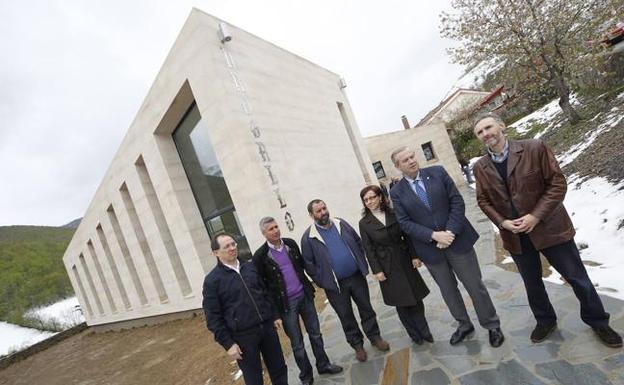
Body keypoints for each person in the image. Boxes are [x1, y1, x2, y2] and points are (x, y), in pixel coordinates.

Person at [472, 112, 622, 347]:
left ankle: (599, 322)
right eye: (480, 132)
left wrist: (535, 216)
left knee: (577, 278)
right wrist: (502, 222)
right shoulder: (480, 167)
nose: (485, 134)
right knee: (532, 283)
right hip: (516, 236)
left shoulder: (534, 148)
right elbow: (483, 200)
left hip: (550, 228)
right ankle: (545, 321)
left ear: (502, 125)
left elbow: (557, 183)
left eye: (488, 127)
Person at [389, 146, 505, 348]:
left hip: (457, 241)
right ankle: (464, 325)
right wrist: (433, 236)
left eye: (412, 156)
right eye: (405, 160)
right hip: (431, 250)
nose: (411, 161)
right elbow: (404, 222)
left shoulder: (438, 172)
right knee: (449, 292)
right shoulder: (397, 192)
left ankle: (492, 324)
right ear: (397, 166)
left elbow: (457, 202)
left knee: (475, 286)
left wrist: (449, 232)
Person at [252, 217, 343, 385]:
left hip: (304, 297)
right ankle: (306, 375)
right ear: (264, 233)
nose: (276, 230)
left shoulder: (290, 244)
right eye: (271, 229)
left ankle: (323, 364)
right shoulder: (260, 256)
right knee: (297, 344)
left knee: (316, 334)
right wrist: (274, 313)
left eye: (276, 226)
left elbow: (302, 266)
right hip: (286, 306)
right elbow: (263, 287)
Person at [301, 199, 390, 362]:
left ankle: (375, 337)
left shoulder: (341, 223)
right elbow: (308, 264)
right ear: (311, 215)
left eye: (324, 208)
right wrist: (323, 281)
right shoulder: (308, 238)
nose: (323, 212)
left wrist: (361, 262)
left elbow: (358, 241)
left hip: (356, 277)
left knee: (366, 308)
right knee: (345, 315)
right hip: (335, 286)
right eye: (318, 211)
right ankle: (357, 345)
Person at [202, 233, 288, 385]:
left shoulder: (249, 267)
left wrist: (274, 315)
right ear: (216, 253)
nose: (232, 248)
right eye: (226, 246)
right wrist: (228, 344)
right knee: (254, 379)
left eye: (233, 244)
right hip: (243, 338)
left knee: (279, 369)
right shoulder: (212, 281)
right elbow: (213, 318)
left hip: (267, 328)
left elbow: (265, 292)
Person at [358, 185, 433, 345]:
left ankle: (425, 331)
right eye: (366, 200)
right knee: (401, 302)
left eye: (372, 197)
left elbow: (407, 235)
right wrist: (377, 270)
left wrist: (415, 256)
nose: (369, 202)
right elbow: (368, 249)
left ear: (380, 197)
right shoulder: (364, 223)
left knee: (416, 297)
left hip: (405, 258)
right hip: (387, 266)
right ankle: (414, 335)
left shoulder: (394, 213)